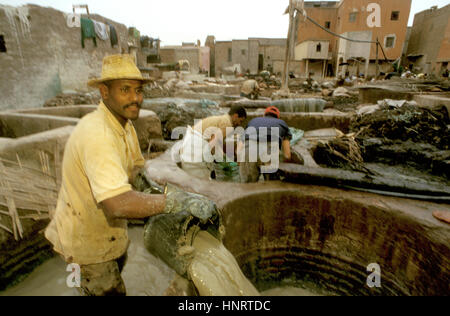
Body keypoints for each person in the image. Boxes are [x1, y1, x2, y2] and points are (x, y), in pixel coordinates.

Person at [44, 55, 167, 296]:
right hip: (84, 247)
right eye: (125, 90)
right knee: (99, 288)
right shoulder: (97, 134)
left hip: (108, 235)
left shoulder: (125, 124)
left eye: (138, 90)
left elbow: (134, 170)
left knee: (104, 285)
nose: (135, 98)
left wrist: (154, 190)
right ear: (104, 92)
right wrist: (173, 202)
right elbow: (116, 204)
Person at [179, 106, 247, 180]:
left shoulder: (221, 119)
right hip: (196, 148)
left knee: (191, 179)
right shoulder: (227, 124)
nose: (239, 124)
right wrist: (223, 161)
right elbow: (212, 144)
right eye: (240, 121)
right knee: (200, 183)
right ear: (235, 116)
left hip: (188, 144)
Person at [238, 106, 292, 183]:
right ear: (278, 117)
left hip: (249, 149)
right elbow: (287, 155)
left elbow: (241, 141)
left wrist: (240, 156)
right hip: (270, 150)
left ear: (264, 115)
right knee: (272, 186)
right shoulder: (282, 123)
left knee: (247, 187)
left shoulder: (253, 121)